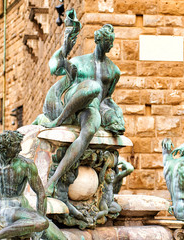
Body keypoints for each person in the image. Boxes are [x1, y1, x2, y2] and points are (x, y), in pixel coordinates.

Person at [33, 9, 125, 196]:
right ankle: (58, 120)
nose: (110, 46)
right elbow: (55, 68)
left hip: (91, 108)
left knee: (90, 130)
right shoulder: (79, 62)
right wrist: (66, 45)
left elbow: (107, 98)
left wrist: (113, 114)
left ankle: (53, 180)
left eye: (112, 43)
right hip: (71, 101)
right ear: (99, 41)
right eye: (108, 42)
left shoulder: (113, 71)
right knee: (92, 87)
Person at [0, 130, 66, 240]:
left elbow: (41, 193)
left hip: (25, 210)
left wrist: (38, 225)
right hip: (5, 210)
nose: (20, 149)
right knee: (41, 222)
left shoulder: (26, 165)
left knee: (60, 236)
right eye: (16, 146)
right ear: (5, 148)